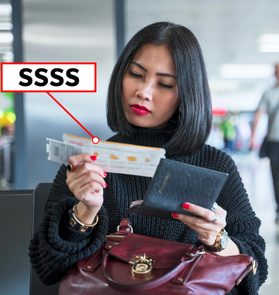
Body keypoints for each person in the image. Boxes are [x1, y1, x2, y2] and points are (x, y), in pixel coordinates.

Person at [29, 22, 268, 294]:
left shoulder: (215, 165)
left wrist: (217, 239)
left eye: (164, 84)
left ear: (186, 95)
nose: (143, 91)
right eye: (136, 74)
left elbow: (255, 271)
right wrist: (85, 213)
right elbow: (47, 268)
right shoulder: (88, 162)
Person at [250, 63, 279, 223]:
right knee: (276, 177)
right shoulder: (269, 93)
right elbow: (258, 114)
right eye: (276, 72)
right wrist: (253, 136)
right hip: (274, 141)